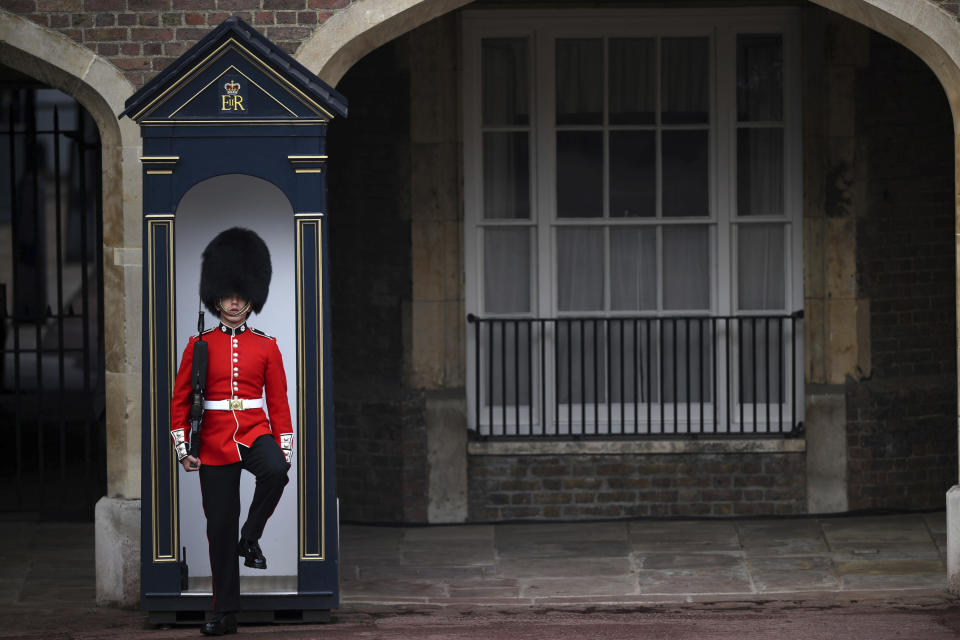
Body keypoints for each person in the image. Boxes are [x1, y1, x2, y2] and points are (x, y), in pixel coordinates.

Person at [169, 227, 293, 636]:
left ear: (250, 296)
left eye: (241, 294)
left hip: (254, 432)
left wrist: (284, 444)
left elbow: (277, 402)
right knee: (219, 528)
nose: (235, 301)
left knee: (275, 471)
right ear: (216, 297)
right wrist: (183, 448)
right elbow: (180, 400)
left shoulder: (267, 345)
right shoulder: (198, 344)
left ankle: (251, 537)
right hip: (214, 441)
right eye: (228, 294)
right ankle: (225, 613)